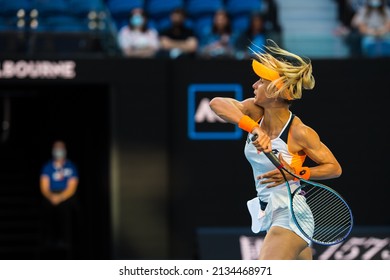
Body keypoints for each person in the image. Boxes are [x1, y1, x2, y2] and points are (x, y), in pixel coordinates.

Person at [209, 40, 342, 260]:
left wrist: (296, 172)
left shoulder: (300, 132)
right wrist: (254, 129)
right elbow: (216, 103)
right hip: (270, 212)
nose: (254, 85)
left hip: (291, 214)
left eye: (261, 81)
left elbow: (334, 168)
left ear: (277, 90)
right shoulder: (254, 112)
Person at [40, 140, 79, 258]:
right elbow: (44, 186)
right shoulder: (47, 167)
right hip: (51, 195)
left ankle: (66, 241)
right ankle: (49, 240)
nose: (58, 152)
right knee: (47, 208)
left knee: (68, 208)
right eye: (56, 148)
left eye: (60, 148)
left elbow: (72, 187)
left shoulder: (70, 166)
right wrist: (51, 197)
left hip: (66, 196)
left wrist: (61, 197)